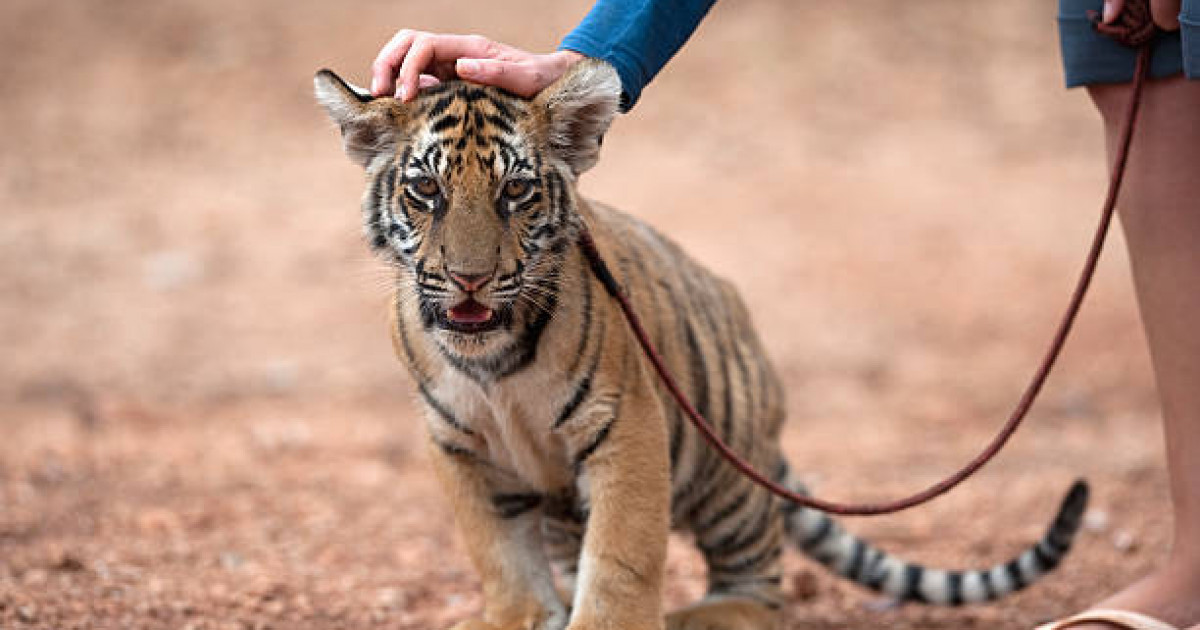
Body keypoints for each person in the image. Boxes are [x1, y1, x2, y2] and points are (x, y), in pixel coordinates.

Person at [369, 1, 1200, 628]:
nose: (467, 263)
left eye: (514, 199)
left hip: (704, 421)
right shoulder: (415, 323)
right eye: (425, 200)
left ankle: (749, 587)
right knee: (1139, 66)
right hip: (553, 484)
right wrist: (591, 56)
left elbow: (629, 441)